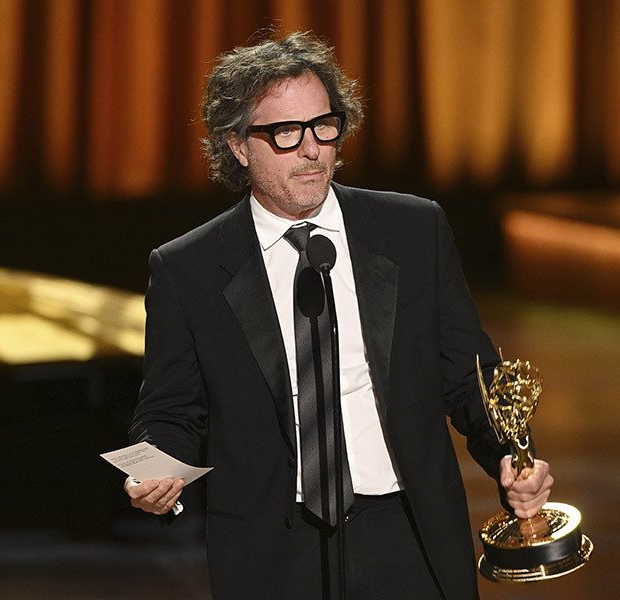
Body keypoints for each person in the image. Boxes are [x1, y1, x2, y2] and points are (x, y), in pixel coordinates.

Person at [125, 31, 553, 600]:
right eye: (285, 133)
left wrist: (512, 459)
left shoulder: (412, 231)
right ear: (237, 145)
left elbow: (470, 379)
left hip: (410, 535)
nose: (312, 150)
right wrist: (154, 470)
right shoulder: (190, 268)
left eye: (324, 126)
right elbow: (171, 408)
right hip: (275, 551)